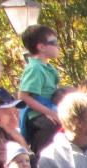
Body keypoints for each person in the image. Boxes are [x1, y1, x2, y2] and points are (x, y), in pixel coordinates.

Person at [17, 25, 61, 154]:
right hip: (38, 117)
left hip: (50, 111)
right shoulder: (35, 68)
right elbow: (23, 96)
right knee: (46, 149)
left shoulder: (48, 67)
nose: (58, 46)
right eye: (54, 42)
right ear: (41, 47)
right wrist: (49, 112)